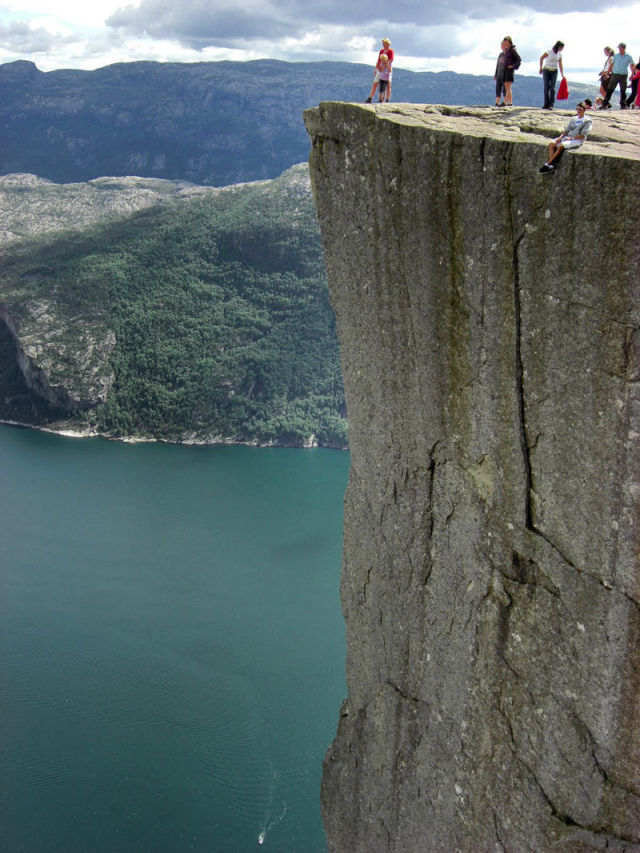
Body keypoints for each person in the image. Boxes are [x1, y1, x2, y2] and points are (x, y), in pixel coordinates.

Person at [539, 102, 592, 173]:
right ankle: (551, 166)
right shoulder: (574, 118)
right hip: (568, 136)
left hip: (577, 139)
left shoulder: (587, 121)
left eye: (580, 109)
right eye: (577, 109)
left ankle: (548, 163)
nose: (578, 111)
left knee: (562, 145)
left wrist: (572, 138)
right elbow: (567, 130)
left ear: (584, 110)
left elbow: (584, 134)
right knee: (551, 144)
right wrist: (560, 137)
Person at [601, 43, 636, 109]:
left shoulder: (628, 56)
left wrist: (632, 74)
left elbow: (632, 65)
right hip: (615, 74)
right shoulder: (616, 56)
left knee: (623, 90)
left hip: (623, 75)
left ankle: (623, 105)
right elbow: (612, 64)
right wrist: (608, 73)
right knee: (610, 89)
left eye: (620, 48)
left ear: (623, 48)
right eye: (619, 48)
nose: (619, 49)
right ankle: (605, 104)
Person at [365, 38, 394, 103]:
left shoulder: (390, 51)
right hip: (380, 68)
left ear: (388, 44)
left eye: (384, 43)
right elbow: (378, 60)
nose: (383, 45)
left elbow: (391, 60)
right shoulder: (381, 51)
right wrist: (376, 69)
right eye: (383, 43)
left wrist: (385, 65)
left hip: (387, 68)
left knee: (388, 84)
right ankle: (370, 98)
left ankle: (387, 99)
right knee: (375, 83)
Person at [539, 41, 565, 109]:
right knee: (546, 87)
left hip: (554, 71)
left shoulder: (559, 54)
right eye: (561, 47)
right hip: (546, 70)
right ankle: (546, 104)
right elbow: (541, 58)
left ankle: (551, 104)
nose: (562, 49)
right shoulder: (549, 52)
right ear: (558, 46)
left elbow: (560, 64)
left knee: (552, 88)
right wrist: (540, 68)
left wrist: (562, 74)